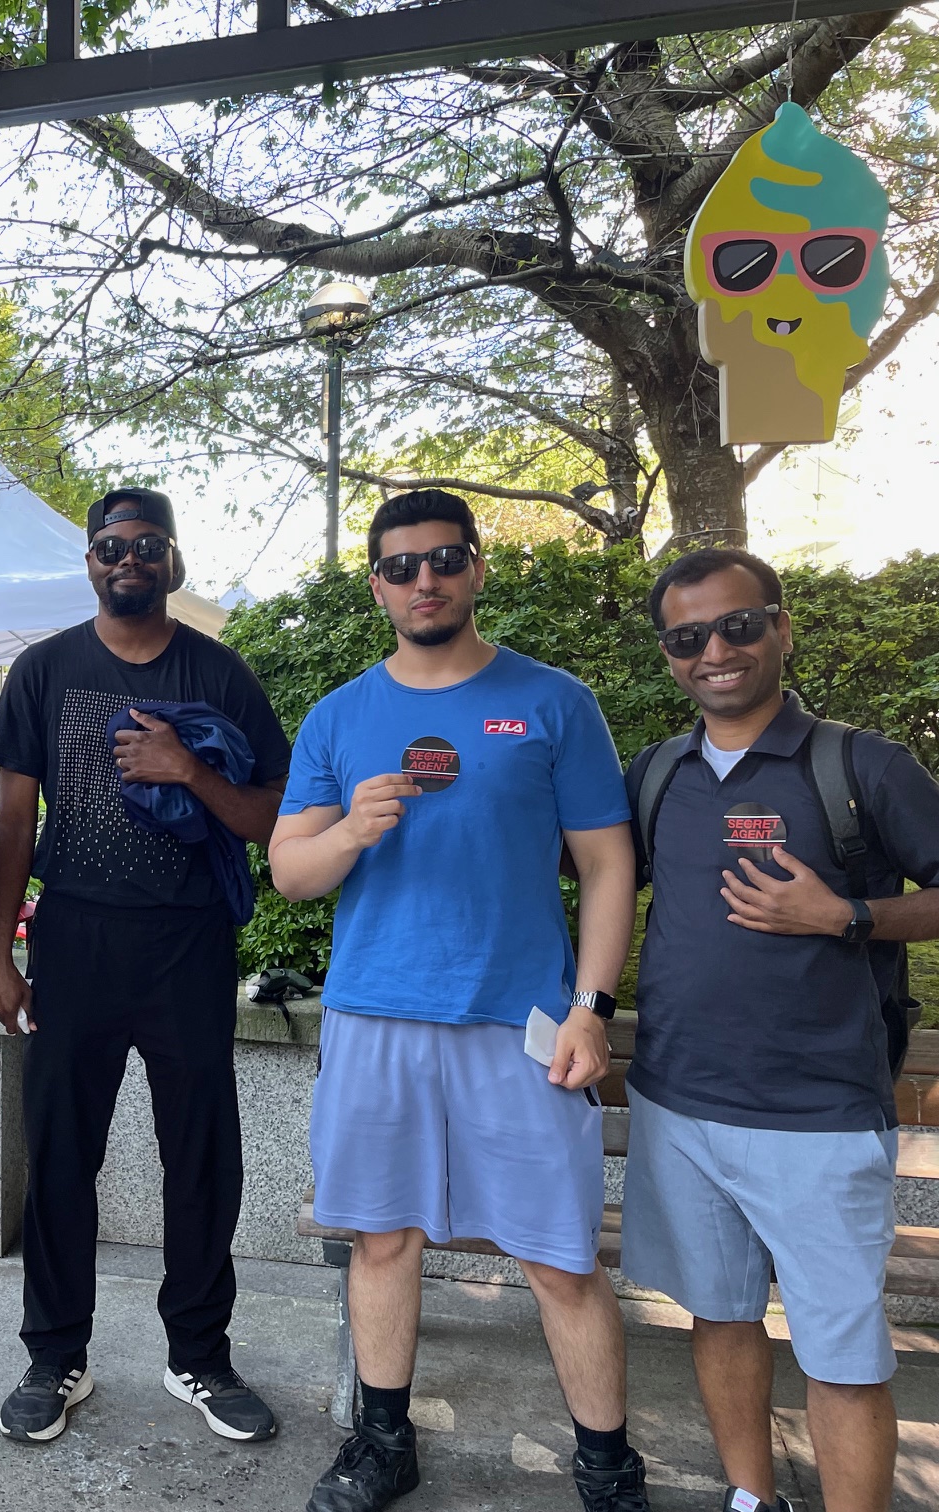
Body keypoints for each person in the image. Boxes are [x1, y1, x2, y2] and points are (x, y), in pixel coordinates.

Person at [267, 489, 649, 1512]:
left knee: (559, 1257)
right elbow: (290, 872)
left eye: (443, 559)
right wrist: (350, 831)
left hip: (519, 1026)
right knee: (382, 1238)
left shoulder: (553, 701)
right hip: (375, 1017)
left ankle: (607, 1468)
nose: (423, 580)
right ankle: (384, 1443)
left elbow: (607, 865)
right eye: (400, 566)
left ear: (477, 568)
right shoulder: (340, 715)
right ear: (377, 586)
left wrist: (592, 1005)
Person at [623, 548, 939, 1512]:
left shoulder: (863, 765)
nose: (715, 651)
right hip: (677, 1103)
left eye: (738, 625)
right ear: (669, 654)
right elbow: (590, 870)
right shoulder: (658, 773)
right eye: (687, 637)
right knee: (719, 1319)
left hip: (819, 1117)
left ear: (781, 627)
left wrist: (847, 915)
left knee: (842, 1355)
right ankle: (752, 1498)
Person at [0, 486, 291, 1445]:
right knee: (61, 1150)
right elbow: (13, 823)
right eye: (112, 545)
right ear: (90, 561)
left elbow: (275, 820)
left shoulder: (220, 671)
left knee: (201, 1153)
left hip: (189, 941)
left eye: (148, 544)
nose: (130, 558)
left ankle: (199, 1354)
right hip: (75, 937)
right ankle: (54, 1355)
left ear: (172, 560)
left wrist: (190, 771)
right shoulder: (43, 670)